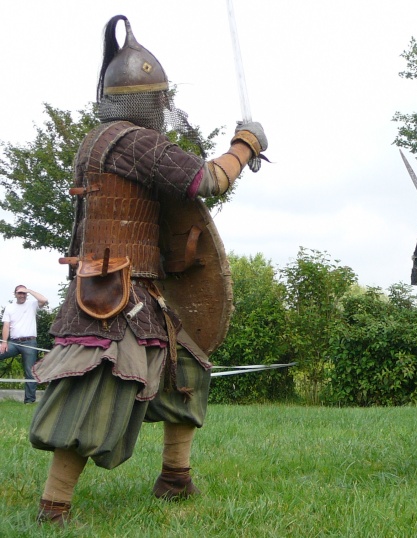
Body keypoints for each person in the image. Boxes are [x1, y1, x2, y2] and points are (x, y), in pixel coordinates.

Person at [29, 15, 268, 526]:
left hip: (140, 289)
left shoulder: (99, 141)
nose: (163, 109)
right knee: (94, 385)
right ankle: (55, 506)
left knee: (188, 367)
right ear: (146, 102)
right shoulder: (133, 142)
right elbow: (205, 180)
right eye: (160, 100)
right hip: (116, 295)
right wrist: (245, 146)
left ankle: (175, 478)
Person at [0, 285, 48, 403]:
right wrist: (4, 342)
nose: (22, 295)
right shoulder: (10, 307)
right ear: (15, 294)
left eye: (24, 293)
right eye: (19, 293)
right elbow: (6, 326)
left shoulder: (32, 304)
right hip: (14, 343)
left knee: (30, 371)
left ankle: (29, 401)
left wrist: (30, 291)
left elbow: (44, 300)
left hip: (30, 343)